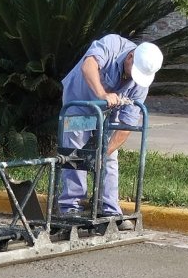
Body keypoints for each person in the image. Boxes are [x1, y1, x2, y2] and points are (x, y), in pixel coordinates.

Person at [58, 34, 163, 228]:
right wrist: (102, 94)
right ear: (130, 57)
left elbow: (126, 124)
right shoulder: (112, 44)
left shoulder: (141, 84)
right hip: (79, 103)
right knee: (75, 152)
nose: (133, 78)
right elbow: (88, 66)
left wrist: (103, 154)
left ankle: (110, 210)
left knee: (110, 158)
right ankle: (71, 207)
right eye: (134, 72)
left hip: (108, 114)